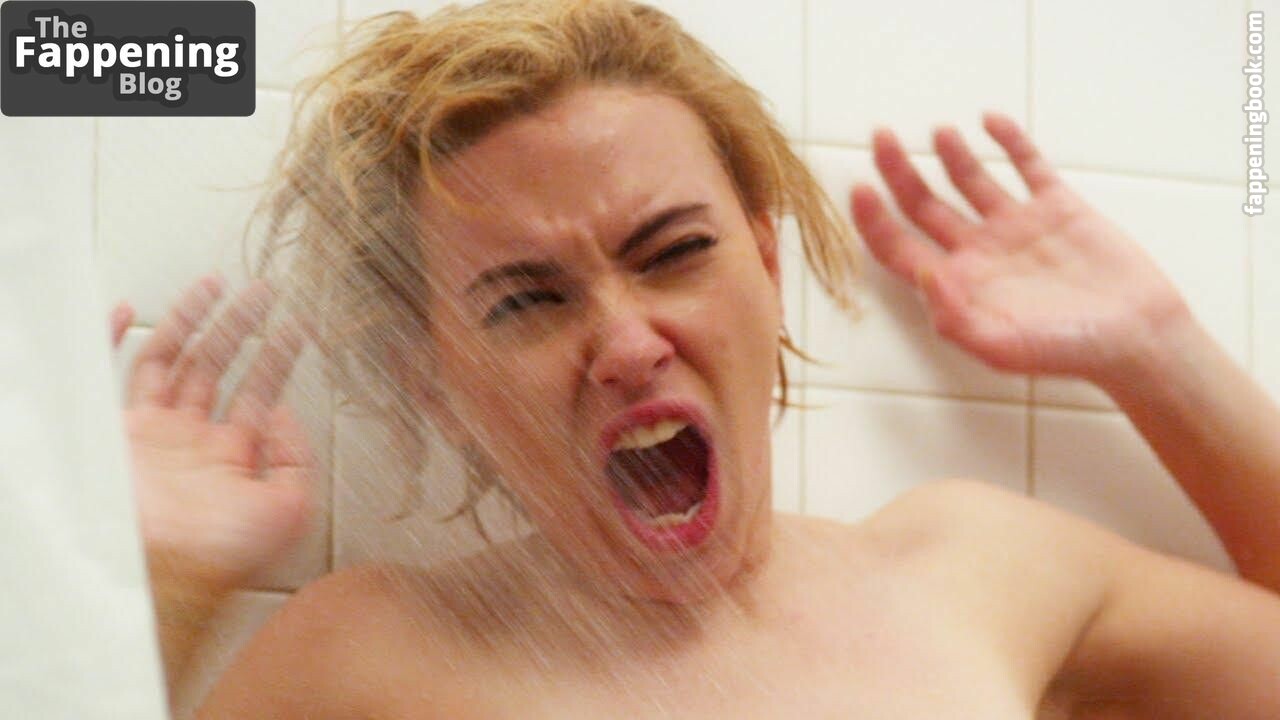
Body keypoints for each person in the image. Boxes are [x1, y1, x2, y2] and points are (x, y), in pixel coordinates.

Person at [109, 1, 1280, 717]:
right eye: (525, 302)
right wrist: (161, 586)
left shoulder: (977, 572)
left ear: (765, 264)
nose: (625, 346)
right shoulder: (366, 654)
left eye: (671, 252)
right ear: (435, 382)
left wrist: (1159, 355)